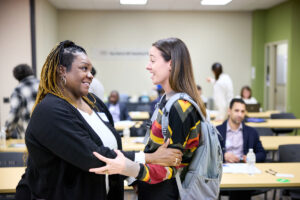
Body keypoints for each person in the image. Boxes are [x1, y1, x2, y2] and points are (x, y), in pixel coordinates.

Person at [16, 40, 182, 200]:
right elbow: (93, 156)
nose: (90, 75)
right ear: (62, 70)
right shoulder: (49, 110)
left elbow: (113, 146)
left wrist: (132, 179)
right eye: (83, 68)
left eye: (90, 69)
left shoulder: (94, 102)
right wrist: (149, 157)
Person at [90, 38, 206, 200]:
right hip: (154, 186)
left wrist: (130, 169)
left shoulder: (180, 107)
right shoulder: (167, 100)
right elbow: (158, 153)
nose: (148, 66)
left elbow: (171, 166)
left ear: (171, 64)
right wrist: (139, 178)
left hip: (166, 189)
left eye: (152, 60)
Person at [216, 98, 266, 200]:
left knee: (242, 188)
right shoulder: (217, 131)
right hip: (223, 171)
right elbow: (209, 154)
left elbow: (262, 154)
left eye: (242, 111)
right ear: (229, 111)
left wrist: (250, 157)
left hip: (244, 171)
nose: (240, 114)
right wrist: (223, 155)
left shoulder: (252, 132)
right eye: (236, 110)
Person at [4, 64, 39, 139]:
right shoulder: (45, 84)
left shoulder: (18, 90)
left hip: (32, 138)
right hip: (50, 136)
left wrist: (4, 134)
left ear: (16, 76)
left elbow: (13, 116)